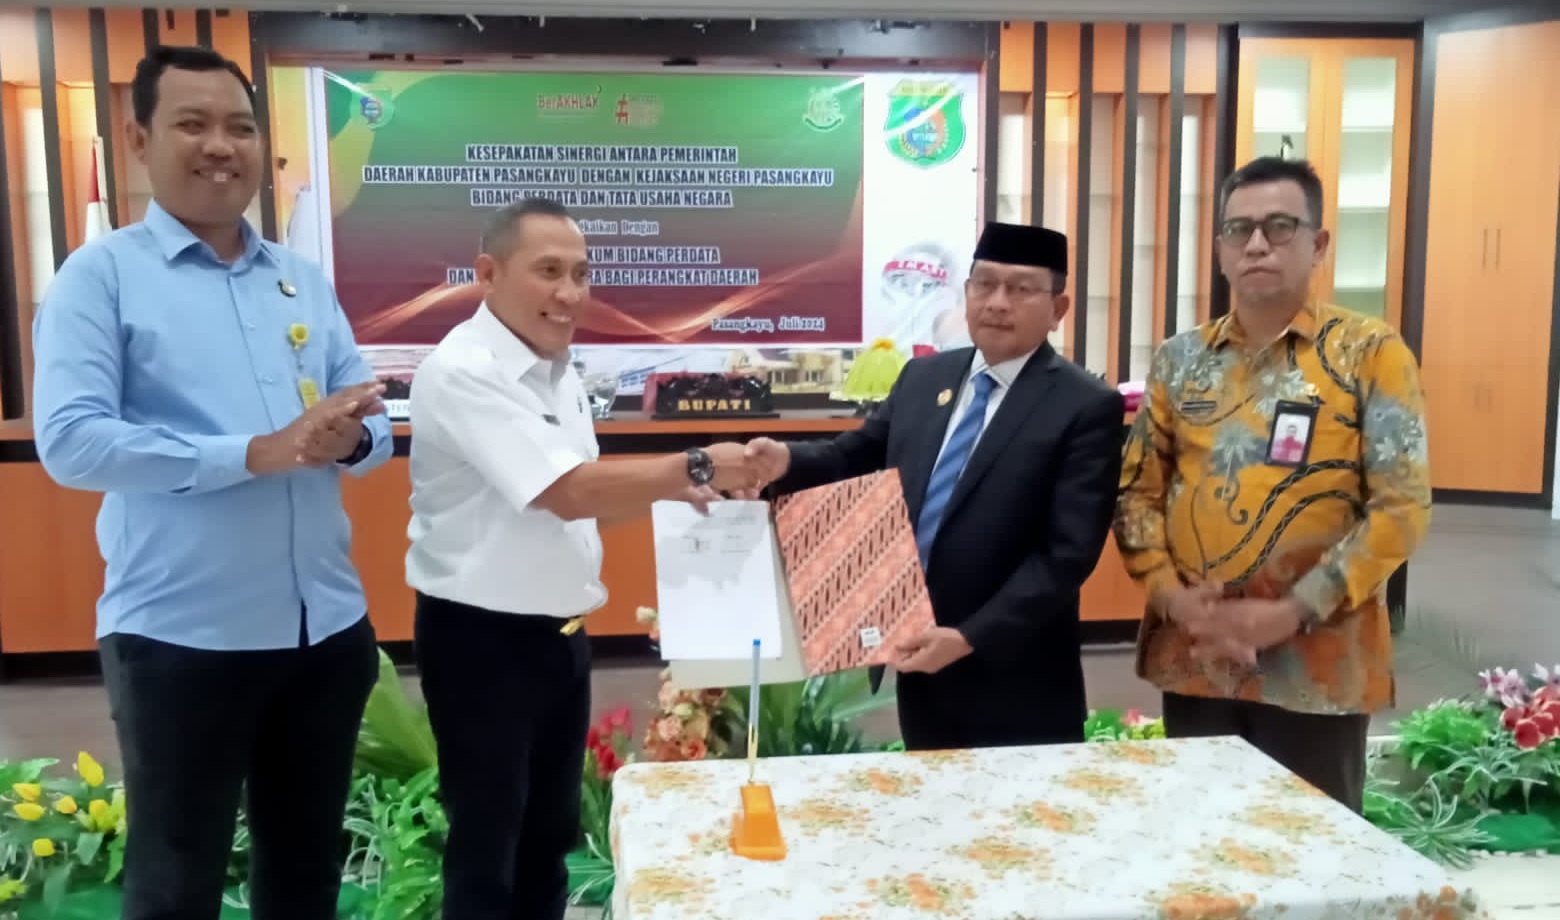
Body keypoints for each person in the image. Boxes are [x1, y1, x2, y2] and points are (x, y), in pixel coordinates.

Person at [31, 45, 391, 920]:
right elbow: (72, 442)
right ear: (139, 139)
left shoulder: (300, 279)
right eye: (193, 124)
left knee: (305, 873)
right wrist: (252, 453)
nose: (220, 146)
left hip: (323, 630)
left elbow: (373, 424)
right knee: (175, 882)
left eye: (240, 127)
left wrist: (348, 439)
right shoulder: (101, 276)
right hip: (182, 638)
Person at [405, 197, 759, 920]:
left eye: (581, 274)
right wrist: (694, 464)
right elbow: (565, 492)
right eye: (548, 272)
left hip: (559, 636)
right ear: (487, 274)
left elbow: (580, 502)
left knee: (548, 839)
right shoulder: (463, 371)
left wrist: (678, 493)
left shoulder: (557, 371)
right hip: (482, 643)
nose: (569, 293)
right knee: (488, 847)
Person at [1114, 156, 1431, 813]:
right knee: (1197, 840)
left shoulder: (1369, 354)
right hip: (1197, 658)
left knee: (1311, 849)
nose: (1256, 244)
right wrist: (1173, 597)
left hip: (1317, 666)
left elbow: (1400, 506)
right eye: (1239, 230)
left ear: (1318, 244)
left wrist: (1291, 610)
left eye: (1279, 227)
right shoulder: (1180, 360)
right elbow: (1137, 491)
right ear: (1220, 250)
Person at [745, 222, 1126, 750]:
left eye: (1020, 289)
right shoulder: (923, 379)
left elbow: (1066, 556)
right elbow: (855, 456)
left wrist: (968, 637)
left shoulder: (1085, 406)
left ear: (1057, 309)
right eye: (984, 284)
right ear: (965, 293)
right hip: (918, 659)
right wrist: (785, 459)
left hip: (1018, 677)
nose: (997, 302)